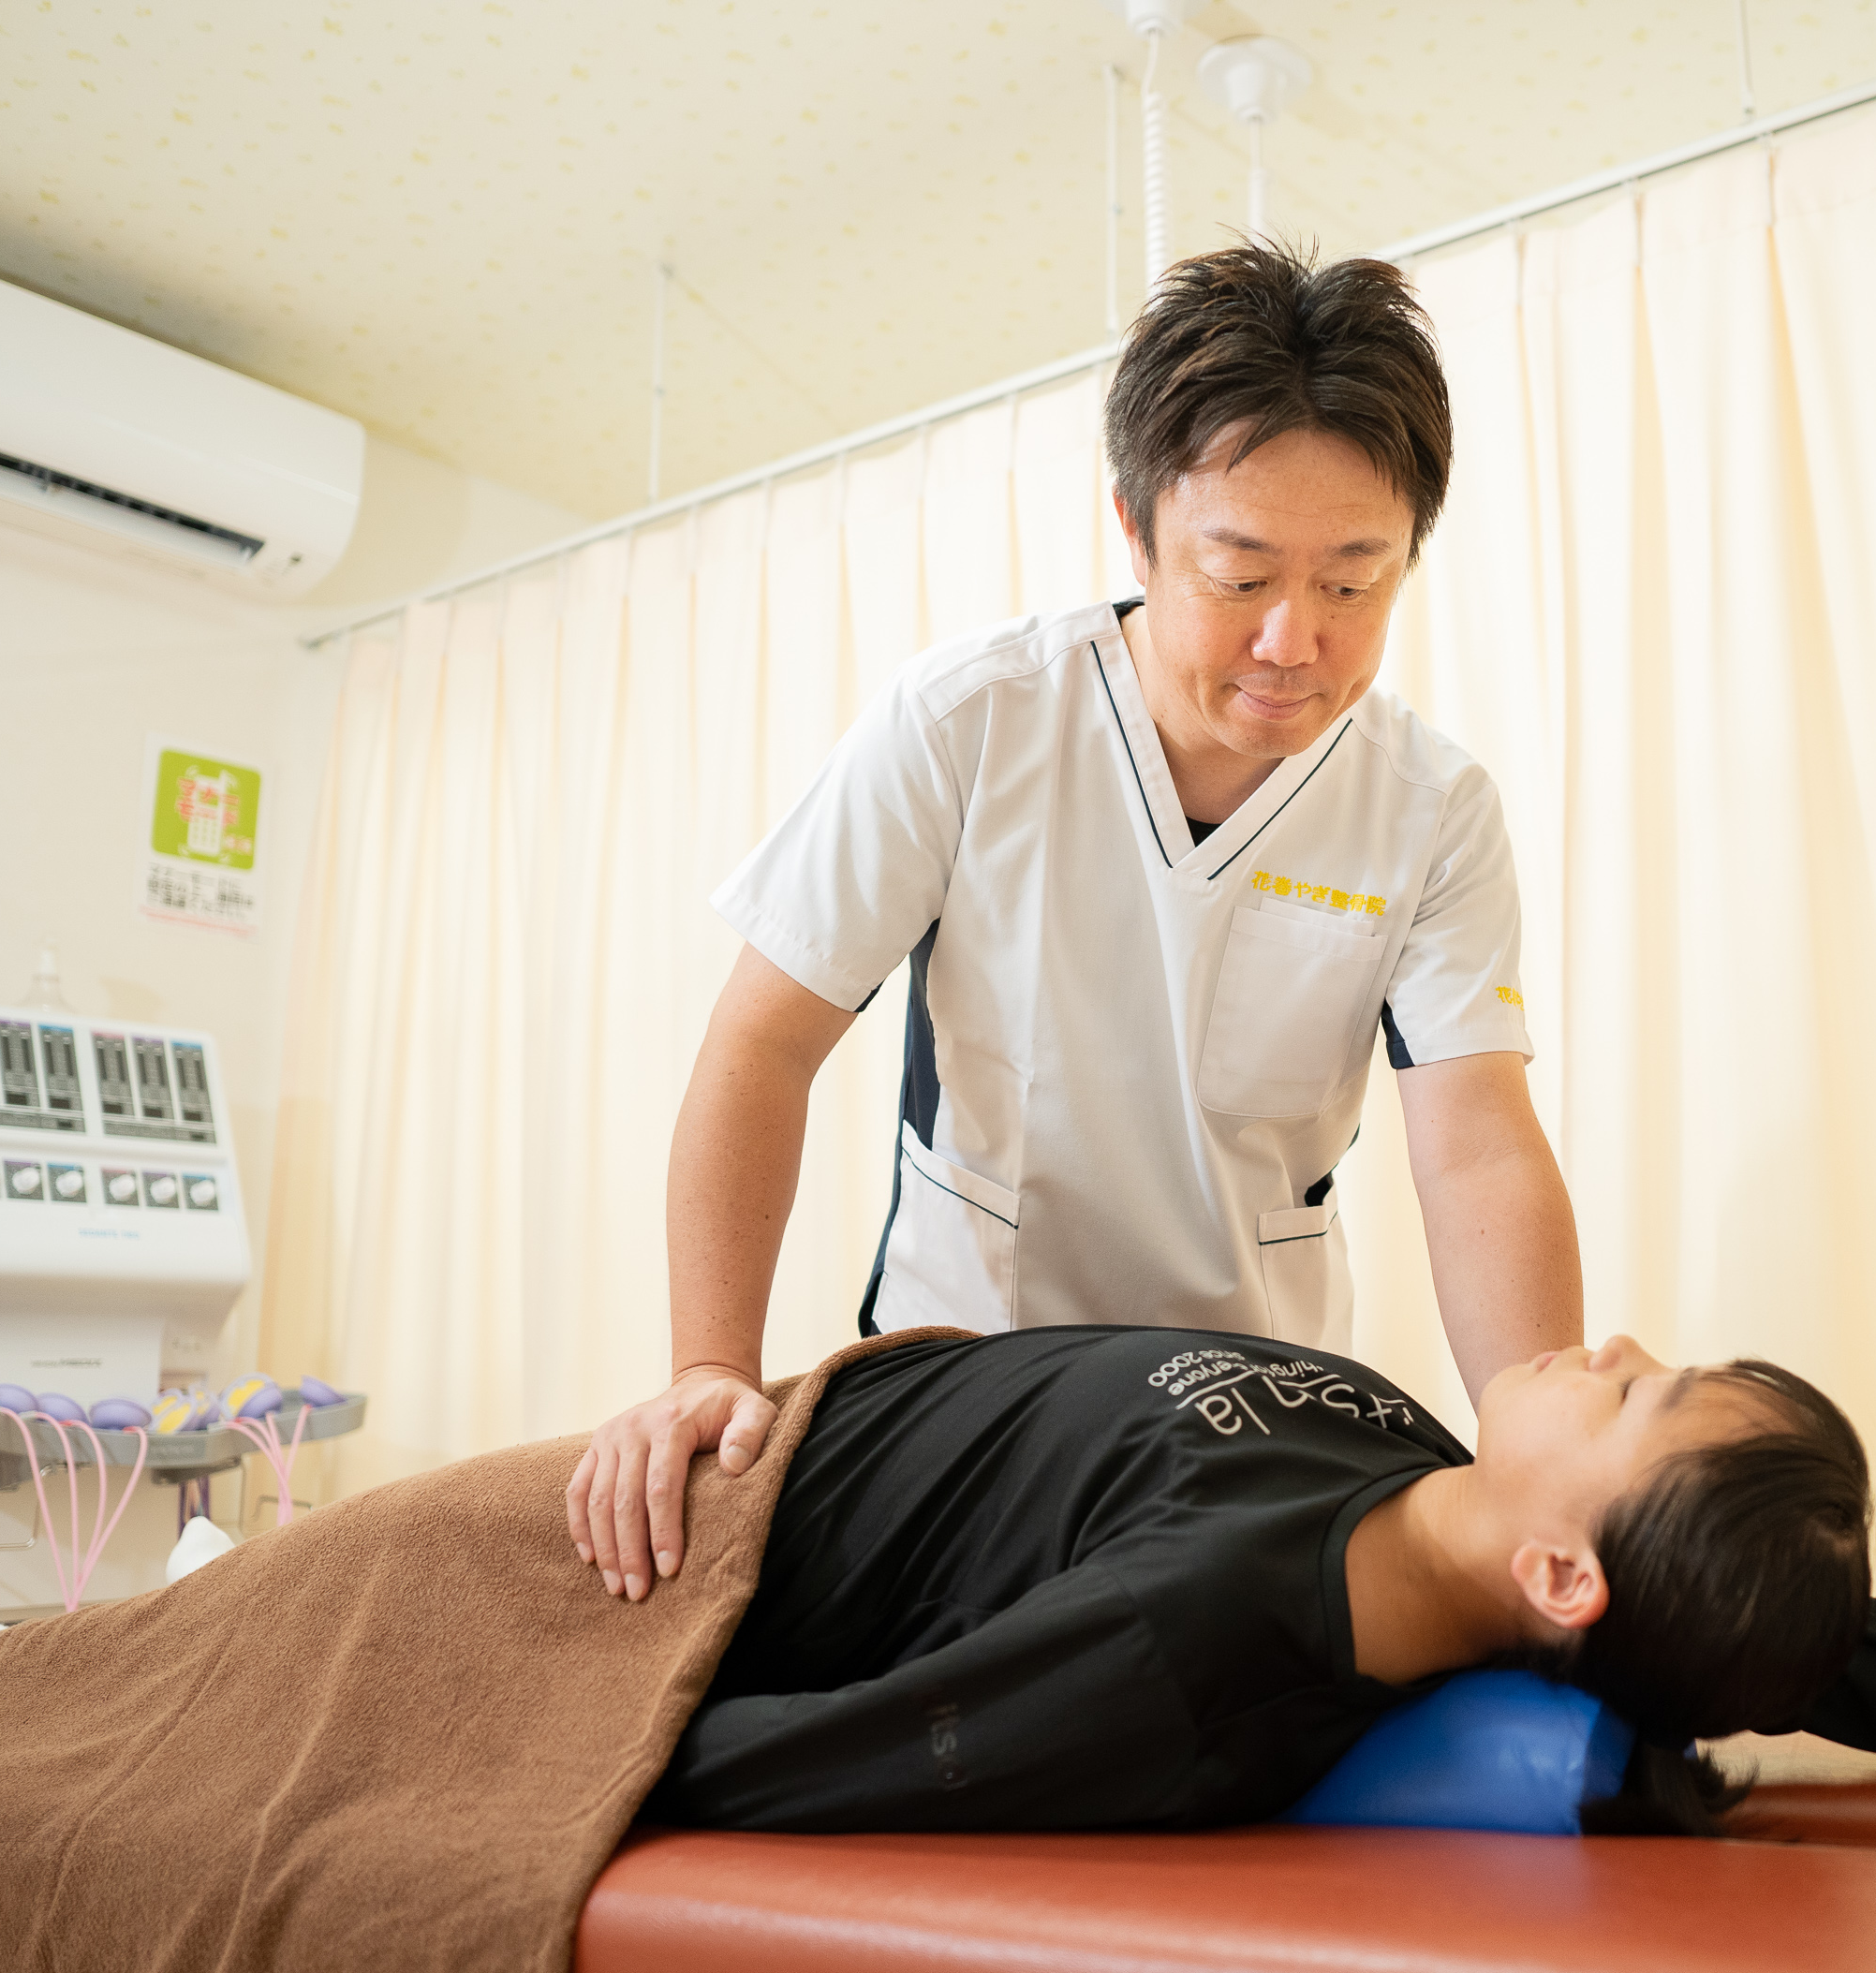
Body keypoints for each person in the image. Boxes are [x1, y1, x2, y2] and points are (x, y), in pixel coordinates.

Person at [0, 1323, 1876, 1973]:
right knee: (136, 1652)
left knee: (124, 1729)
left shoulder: (1192, 1656)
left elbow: (771, 1785)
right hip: (748, 1432)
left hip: (625, 1570)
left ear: (1560, 1595)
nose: (1605, 1350)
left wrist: (462, 1778)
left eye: (1632, 1396)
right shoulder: (1461, 1514)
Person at [573, 242, 1580, 1602]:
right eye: (1241, 577)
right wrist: (709, 1372)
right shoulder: (971, 722)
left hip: (1254, 1409)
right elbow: (762, 1044)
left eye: (1354, 583)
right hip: (970, 1391)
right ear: (1137, 528)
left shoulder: (1431, 810)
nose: (1296, 640)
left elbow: (1478, 1154)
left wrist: (1540, 1461)